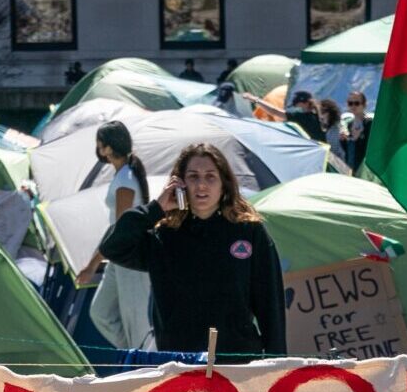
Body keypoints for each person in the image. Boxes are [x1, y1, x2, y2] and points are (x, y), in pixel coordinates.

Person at [96, 141, 287, 356]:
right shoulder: (163, 237)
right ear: (180, 183)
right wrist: (156, 208)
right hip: (181, 367)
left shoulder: (250, 232)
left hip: (238, 364)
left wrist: (275, 365)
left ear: (224, 184)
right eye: (193, 176)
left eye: (210, 177)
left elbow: (271, 305)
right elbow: (112, 247)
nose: (201, 185)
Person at [81, 121, 155, 350]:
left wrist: (93, 264)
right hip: (118, 258)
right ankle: (133, 355)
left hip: (129, 258)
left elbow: (122, 227)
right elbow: (116, 225)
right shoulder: (123, 175)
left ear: (108, 147)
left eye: (99, 144)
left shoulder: (126, 180)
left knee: (136, 321)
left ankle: (141, 363)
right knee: (100, 311)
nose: (97, 149)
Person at [337, 91, 372, 172]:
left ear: (364, 105)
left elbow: (370, 148)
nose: (353, 106)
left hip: (365, 169)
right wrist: (343, 140)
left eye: (356, 103)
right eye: (350, 103)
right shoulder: (348, 124)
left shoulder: (370, 123)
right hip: (351, 167)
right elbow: (347, 150)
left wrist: (358, 139)